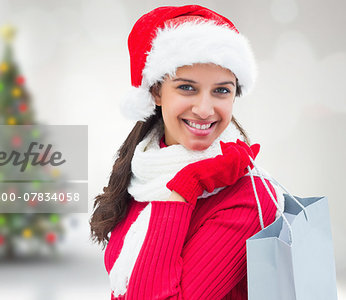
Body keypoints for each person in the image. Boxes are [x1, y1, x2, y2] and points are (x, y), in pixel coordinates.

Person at [89, 5, 285, 299]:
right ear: (156, 92)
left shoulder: (248, 197)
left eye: (221, 90)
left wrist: (184, 189)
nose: (205, 110)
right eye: (187, 88)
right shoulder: (143, 174)